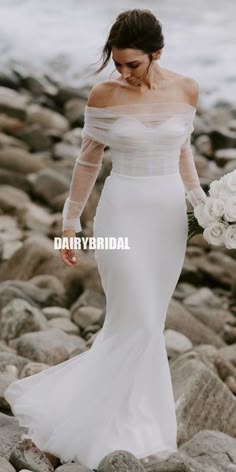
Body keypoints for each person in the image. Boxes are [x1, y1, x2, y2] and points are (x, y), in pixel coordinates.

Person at [4, 9, 207, 470]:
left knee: (147, 323)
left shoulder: (187, 89)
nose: (123, 72)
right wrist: (70, 223)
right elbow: (87, 161)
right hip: (121, 217)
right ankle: (85, 425)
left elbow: (183, 150)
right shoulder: (104, 94)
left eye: (132, 64)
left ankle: (140, 427)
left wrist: (203, 202)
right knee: (134, 318)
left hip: (169, 219)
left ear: (157, 53)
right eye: (117, 63)